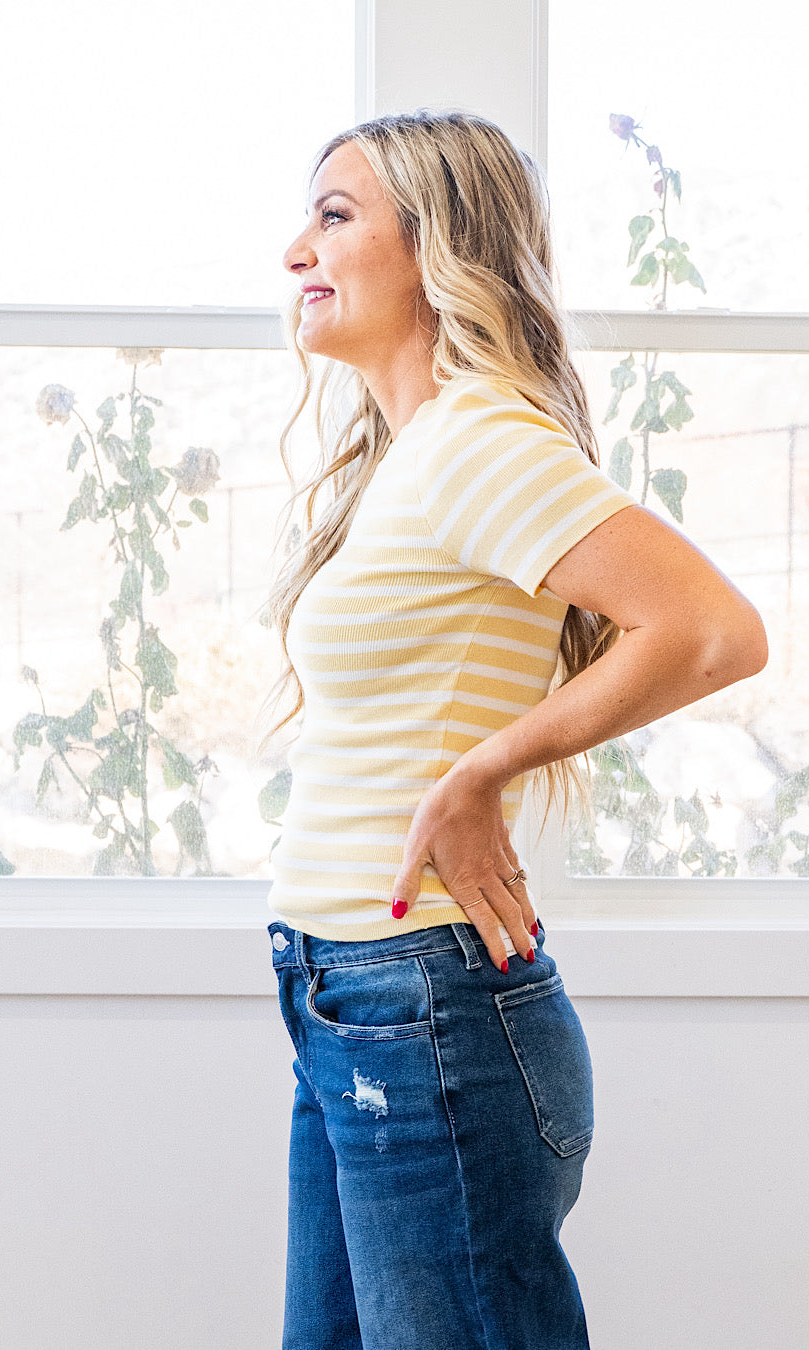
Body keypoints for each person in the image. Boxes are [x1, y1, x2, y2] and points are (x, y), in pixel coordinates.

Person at [263, 108, 767, 1350]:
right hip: (351, 994)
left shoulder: (480, 436)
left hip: (422, 1006)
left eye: (335, 217)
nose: (295, 252)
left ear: (437, 248)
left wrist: (488, 765)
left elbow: (712, 627)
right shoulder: (419, 454)